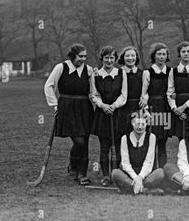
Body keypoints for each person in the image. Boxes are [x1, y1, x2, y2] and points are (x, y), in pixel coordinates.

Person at [44, 43, 93, 185]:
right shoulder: (61, 67)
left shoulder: (88, 70)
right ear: (73, 55)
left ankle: (81, 173)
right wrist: (55, 105)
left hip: (85, 108)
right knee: (79, 141)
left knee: (85, 141)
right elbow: (49, 86)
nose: (83, 59)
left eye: (85, 56)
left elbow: (93, 91)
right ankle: (73, 165)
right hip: (67, 108)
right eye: (80, 56)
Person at [90, 45, 128, 187]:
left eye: (112, 57)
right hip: (103, 114)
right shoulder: (96, 75)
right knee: (104, 146)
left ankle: (116, 174)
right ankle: (106, 176)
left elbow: (124, 94)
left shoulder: (121, 73)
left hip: (117, 113)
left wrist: (114, 105)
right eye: (106, 57)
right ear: (102, 59)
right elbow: (94, 95)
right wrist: (103, 106)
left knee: (117, 146)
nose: (109, 60)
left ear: (115, 59)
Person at [111, 110, 166, 195]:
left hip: (146, 176)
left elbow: (149, 161)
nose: (140, 127)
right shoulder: (125, 138)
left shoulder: (151, 137)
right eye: (137, 124)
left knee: (160, 173)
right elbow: (125, 163)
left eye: (143, 124)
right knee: (115, 173)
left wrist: (140, 177)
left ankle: (130, 188)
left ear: (146, 124)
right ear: (132, 124)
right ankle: (145, 190)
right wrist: (135, 178)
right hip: (130, 175)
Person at [141, 43, 172, 167]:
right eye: (159, 54)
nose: (161, 57)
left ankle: (163, 172)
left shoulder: (170, 72)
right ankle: (153, 171)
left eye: (164, 54)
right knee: (152, 141)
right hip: (153, 109)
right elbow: (144, 94)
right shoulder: (148, 73)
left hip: (165, 109)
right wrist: (146, 111)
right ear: (154, 56)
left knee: (162, 142)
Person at [117, 46, 145, 136]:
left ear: (136, 57)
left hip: (137, 107)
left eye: (133, 55)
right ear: (123, 58)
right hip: (122, 108)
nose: (130, 58)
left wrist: (145, 98)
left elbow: (146, 90)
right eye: (127, 56)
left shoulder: (142, 73)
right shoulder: (118, 73)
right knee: (122, 135)